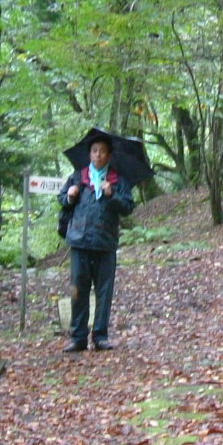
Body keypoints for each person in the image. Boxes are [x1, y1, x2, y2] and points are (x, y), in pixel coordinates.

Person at [59, 136, 134, 352]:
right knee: (78, 291)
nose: (97, 155)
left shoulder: (117, 180)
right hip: (80, 241)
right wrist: (70, 196)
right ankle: (78, 337)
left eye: (102, 151)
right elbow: (62, 200)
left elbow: (128, 207)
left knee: (103, 292)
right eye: (94, 151)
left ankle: (100, 336)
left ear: (109, 156)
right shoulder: (78, 177)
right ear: (89, 154)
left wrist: (112, 195)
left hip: (105, 243)